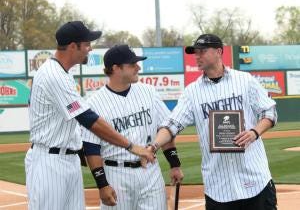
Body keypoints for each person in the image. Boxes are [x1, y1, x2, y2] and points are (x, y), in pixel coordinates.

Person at [24, 21, 154, 210]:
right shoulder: (53, 75)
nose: (90, 48)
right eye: (86, 44)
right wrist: (132, 146)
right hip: (50, 162)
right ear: (72, 46)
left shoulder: (63, 73)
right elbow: (89, 120)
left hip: (67, 160)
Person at [149, 34, 278, 210]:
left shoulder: (245, 80)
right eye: (195, 52)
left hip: (255, 181)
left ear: (219, 51)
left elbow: (269, 112)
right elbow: (172, 124)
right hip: (218, 187)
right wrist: (154, 146)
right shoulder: (192, 92)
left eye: (202, 51)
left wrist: (254, 133)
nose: (197, 56)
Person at [81, 44, 184, 210]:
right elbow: (91, 148)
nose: (138, 67)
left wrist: (174, 164)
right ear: (116, 68)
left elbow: (165, 129)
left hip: (150, 170)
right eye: (132, 64)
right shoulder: (94, 103)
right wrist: (102, 184)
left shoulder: (149, 92)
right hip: (116, 174)